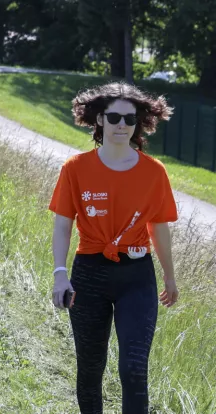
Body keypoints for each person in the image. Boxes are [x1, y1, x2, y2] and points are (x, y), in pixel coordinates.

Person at [49, 83, 178, 414]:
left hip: (137, 276)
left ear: (138, 123)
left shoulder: (155, 172)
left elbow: (158, 227)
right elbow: (63, 225)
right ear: (100, 120)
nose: (122, 124)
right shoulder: (75, 168)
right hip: (89, 274)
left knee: (134, 368)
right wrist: (60, 274)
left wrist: (170, 277)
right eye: (115, 117)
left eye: (129, 118)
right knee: (91, 368)